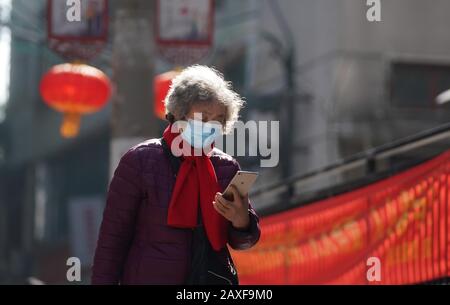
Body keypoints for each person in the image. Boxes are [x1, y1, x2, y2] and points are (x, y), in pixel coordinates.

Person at [91, 65, 260, 285]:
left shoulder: (226, 167)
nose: (210, 126)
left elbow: (244, 241)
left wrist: (242, 222)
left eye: (218, 119)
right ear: (179, 115)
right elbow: (112, 241)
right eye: (202, 117)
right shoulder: (140, 161)